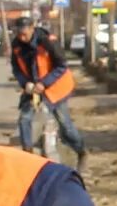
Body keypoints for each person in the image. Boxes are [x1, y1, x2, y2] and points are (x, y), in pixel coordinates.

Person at [9, 19, 89, 170]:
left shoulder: (48, 42)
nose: (22, 38)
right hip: (33, 89)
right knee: (24, 119)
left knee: (65, 126)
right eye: (19, 34)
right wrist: (25, 82)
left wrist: (44, 83)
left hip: (57, 87)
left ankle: (81, 151)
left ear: (32, 29)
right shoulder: (17, 46)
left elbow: (62, 66)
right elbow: (16, 68)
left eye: (24, 34)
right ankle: (28, 156)